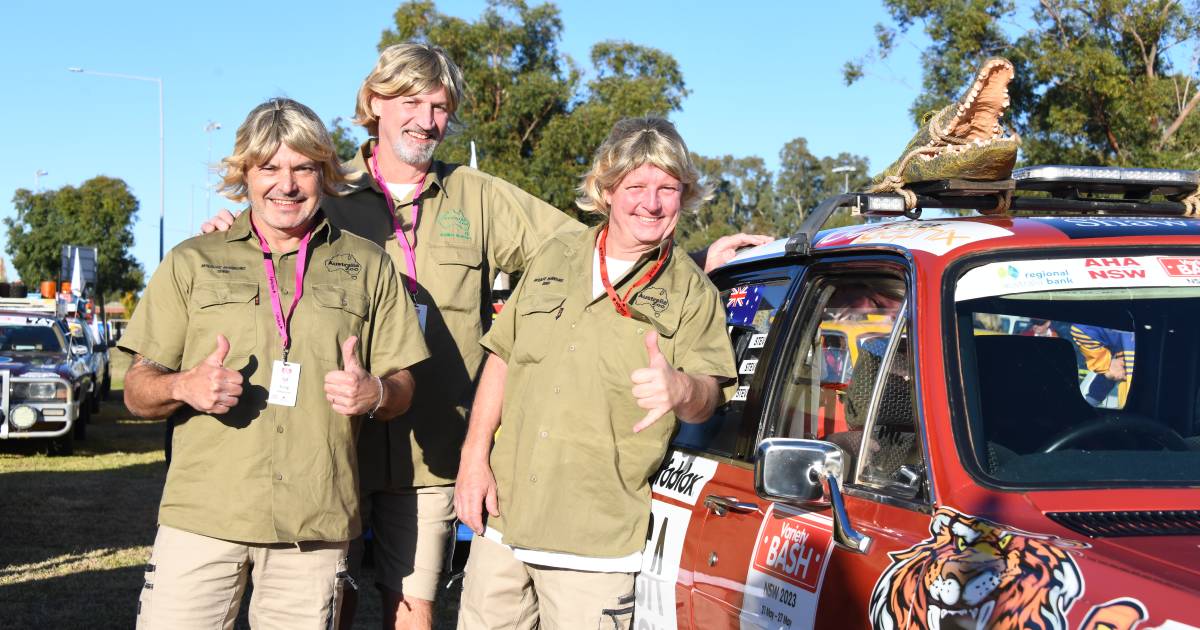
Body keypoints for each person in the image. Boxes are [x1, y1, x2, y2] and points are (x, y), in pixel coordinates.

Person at [201, 43, 768, 630]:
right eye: (411, 101)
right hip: (331, 443)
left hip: (434, 451)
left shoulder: (479, 195)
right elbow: (265, 236)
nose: (427, 118)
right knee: (327, 604)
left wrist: (697, 261)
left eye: (440, 105)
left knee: (412, 607)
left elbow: (598, 244)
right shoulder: (324, 190)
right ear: (373, 103)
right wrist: (228, 228)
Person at [121, 97, 429, 629]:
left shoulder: (370, 266)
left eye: (303, 167)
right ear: (245, 173)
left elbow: (404, 385)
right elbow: (135, 390)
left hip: (313, 527)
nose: (286, 184)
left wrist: (375, 393)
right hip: (203, 518)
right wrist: (184, 385)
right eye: (269, 168)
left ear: (324, 174)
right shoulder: (193, 260)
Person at [453, 117, 738, 629]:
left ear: (684, 196)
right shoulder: (554, 252)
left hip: (595, 543)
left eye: (667, 189)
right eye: (636, 187)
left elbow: (709, 395)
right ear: (606, 192)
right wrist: (473, 457)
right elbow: (503, 357)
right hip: (504, 520)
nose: (651, 203)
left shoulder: (692, 291)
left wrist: (680, 388)